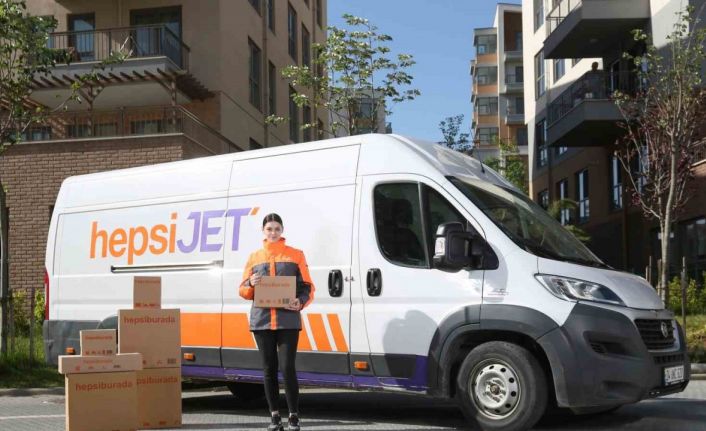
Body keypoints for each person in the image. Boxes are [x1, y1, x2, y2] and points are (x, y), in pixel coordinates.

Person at [239, 213, 315, 431]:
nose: (273, 232)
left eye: (277, 229)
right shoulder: (254, 257)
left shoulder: (295, 255)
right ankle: (274, 417)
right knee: (268, 369)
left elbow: (307, 287)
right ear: (263, 231)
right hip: (262, 321)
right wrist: (251, 283)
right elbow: (243, 290)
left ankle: (293, 416)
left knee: (287, 367)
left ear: (282, 230)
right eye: (269, 229)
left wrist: (300, 302)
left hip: (287, 320)